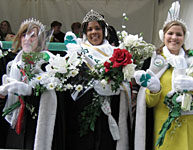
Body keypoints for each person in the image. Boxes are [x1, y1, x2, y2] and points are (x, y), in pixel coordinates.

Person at [64, 9, 131, 150]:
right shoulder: (78, 51)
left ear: (104, 30)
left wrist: (113, 88)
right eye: (89, 29)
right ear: (85, 33)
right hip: (84, 110)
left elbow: (125, 83)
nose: (94, 32)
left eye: (97, 28)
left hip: (110, 110)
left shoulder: (115, 52)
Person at [134, 1, 193, 150]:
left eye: (179, 34)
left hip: (189, 127)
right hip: (163, 127)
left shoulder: (191, 61)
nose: (174, 37)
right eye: (170, 33)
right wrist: (154, 90)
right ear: (163, 35)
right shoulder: (154, 61)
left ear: (184, 37)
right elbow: (148, 104)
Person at [0, 18, 66, 150]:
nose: (27, 39)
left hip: (36, 123)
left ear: (40, 39)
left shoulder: (50, 62)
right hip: (16, 123)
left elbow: (55, 96)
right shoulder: (13, 64)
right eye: (24, 35)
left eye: (32, 35)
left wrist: (30, 90)